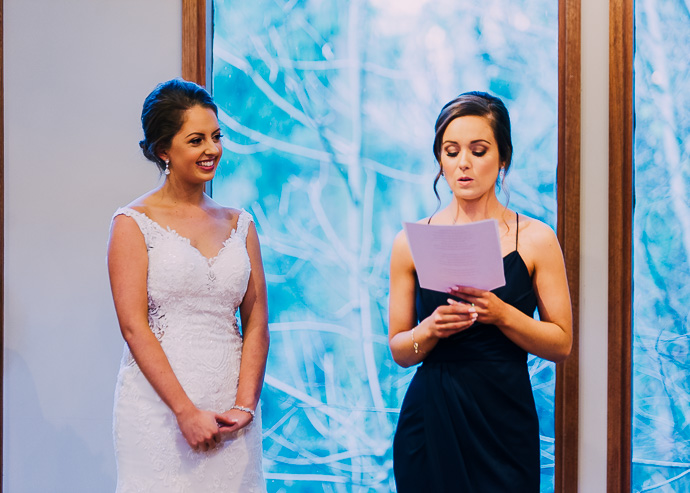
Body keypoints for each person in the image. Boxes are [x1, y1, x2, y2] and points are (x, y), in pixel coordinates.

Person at [388, 92, 572, 492]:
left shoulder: (537, 238)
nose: (463, 163)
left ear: (503, 156)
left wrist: (502, 314)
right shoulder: (410, 241)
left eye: (478, 150)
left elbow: (561, 344)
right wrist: (430, 329)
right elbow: (400, 351)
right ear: (440, 159)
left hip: (504, 415)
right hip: (432, 413)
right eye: (451, 152)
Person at [107, 79, 269, 492]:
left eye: (216, 137)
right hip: (159, 411)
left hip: (231, 411)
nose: (211, 149)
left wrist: (245, 405)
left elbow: (256, 322)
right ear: (164, 150)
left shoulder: (241, 224)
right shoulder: (132, 224)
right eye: (196, 140)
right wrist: (184, 411)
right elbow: (133, 327)